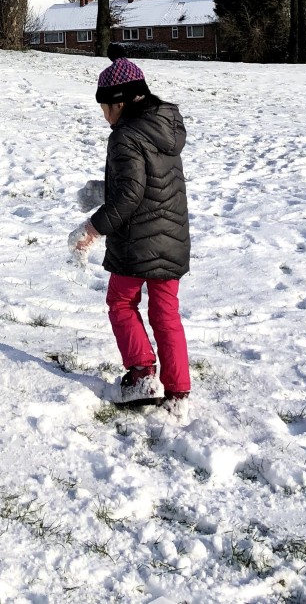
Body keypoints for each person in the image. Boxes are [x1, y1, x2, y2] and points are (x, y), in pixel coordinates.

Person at [71, 49, 192, 417]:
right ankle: (178, 392)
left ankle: (142, 375)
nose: (104, 115)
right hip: (172, 237)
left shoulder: (124, 135)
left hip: (137, 241)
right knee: (166, 314)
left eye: (104, 107)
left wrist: (92, 228)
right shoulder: (165, 126)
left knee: (121, 302)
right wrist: (101, 190)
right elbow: (148, 182)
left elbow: (129, 195)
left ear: (120, 102)